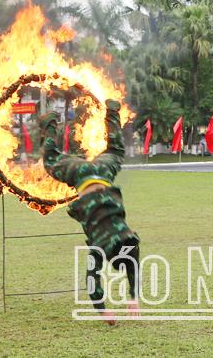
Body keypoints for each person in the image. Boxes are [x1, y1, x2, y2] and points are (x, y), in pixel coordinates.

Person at [40, 100, 139, 322]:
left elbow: (134, 262)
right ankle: (49, 122)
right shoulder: (100, 246)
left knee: (116, 149)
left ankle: (112, 112)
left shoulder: (127, 237)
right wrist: (104, 311)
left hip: (103, 173)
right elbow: (92, 280)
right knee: (50, 159)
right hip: (81, 175)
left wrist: (135, 296)